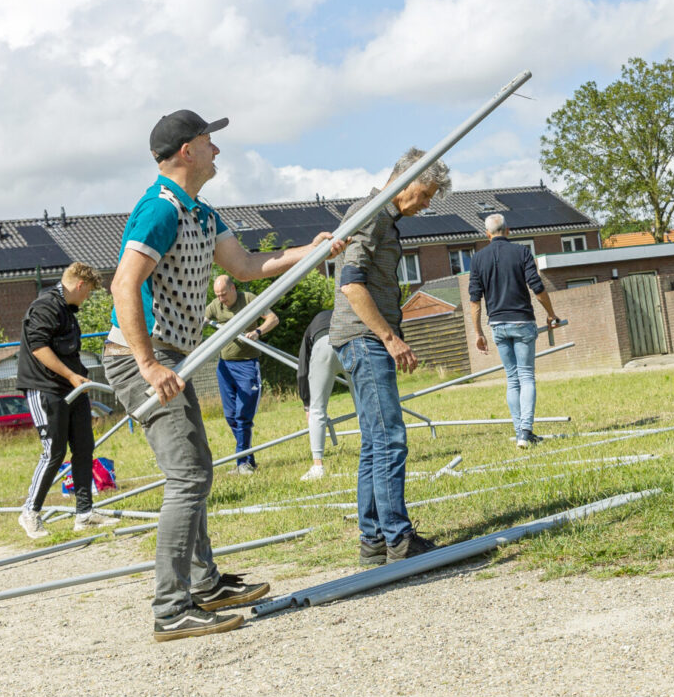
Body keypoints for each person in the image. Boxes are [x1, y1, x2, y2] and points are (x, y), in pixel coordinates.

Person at [106, 110, 341, 641]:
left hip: (175, 359)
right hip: (142, 359)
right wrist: (147, 364)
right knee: (188, 476)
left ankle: (205, 585)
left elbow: (247, 267)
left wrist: (314, 249)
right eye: (210, 142)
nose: (218, 151)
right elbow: (124, 285)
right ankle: (171, 608)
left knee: (197, 469)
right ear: (187, 150)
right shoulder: (160, 210)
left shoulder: (202, 214)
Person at [331, 148, 449, 565]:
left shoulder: (381, 216)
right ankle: (399, 539)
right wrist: (389, 337)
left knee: (373, 443)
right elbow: (351, 283)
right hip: (365, 339)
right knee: (389, 439)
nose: (426, 204)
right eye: (425, 194)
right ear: (406, 180)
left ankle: (375, 541)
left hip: (361, 339)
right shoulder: (372, 214)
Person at [18, 262, 111, 539]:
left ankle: (84, 514)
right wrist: (71, 376)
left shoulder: (67, 310)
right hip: (45, 389)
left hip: (72, 390)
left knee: (84, 447)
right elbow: (39, 347)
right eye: (89, 292)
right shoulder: (45, 306)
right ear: (80, 285)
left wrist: (78, 379)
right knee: (53, 452)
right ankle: (30, 513)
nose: (88, 298)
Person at [468, 213, 561, 447]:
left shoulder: (478, 260)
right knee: (526, 376)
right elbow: (537, 288)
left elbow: (474, 301)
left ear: (487, 235)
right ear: (508, 230)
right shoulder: (522, 252)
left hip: (497, 325)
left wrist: (478, 332)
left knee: (512, 379)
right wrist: (551, 314)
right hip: (522, 322)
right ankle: (525, 432)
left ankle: (520, 431)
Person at [204, 274, 278, 473]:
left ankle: (242, 463)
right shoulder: (215, 305)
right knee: (231, 417)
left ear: (233, 289)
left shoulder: (248, 299)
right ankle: (247, 461)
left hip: (247, 365)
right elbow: (203, 319)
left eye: (224, 295)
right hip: (225, 367)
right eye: (218, 295)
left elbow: (273, 318)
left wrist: (258, 332)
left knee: (243, 415)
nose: (221, 299)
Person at [295, 308, 345, 481]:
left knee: (317, 410)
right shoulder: (346, 311)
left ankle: (318, 466)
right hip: (348, 342)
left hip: (322, 346)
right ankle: (375, 456)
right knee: (363, 403)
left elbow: (302, 368)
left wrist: (307, 403)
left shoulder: (312, 326)